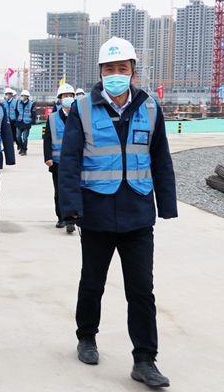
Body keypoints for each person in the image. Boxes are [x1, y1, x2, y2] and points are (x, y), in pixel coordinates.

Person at [58, 37, 177, 388]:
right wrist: (71, 208)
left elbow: (160, 158)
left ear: (133, 72)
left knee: (141, 290)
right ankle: (86, 336)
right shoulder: (82, 109)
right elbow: (70, 161)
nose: (115, 74)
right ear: (101, 72)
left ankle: (145, 360)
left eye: (122, 69)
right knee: (92, 282)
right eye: (109, 69)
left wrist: (166, 204)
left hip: (138, 214)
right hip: (96, 214)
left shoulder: (150, 108)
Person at [43, 83, 76, 233]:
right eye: (65, 96)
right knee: (59, 191)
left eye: (70, 96)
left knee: (73, 190)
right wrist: (48, 157)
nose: (68, 98)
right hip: (57, 162)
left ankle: (71, 220)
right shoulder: (52, 118)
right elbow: (47, 139)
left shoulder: (79, 116)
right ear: (60, 99)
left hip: (75, 161)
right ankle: (61, 217)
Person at [15, 90, 36, 155]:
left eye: (24, 96)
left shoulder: (31, 104)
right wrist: (17, 118)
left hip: (27, 123)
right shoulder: (18, 103)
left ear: (27, 97)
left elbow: (33, 113)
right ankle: (21, 148)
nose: (22, 97)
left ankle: (24, 150)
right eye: (22, 95)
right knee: (18, 136)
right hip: (19, 122)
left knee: (24, 137)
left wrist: (33, 121)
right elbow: (16, 111)